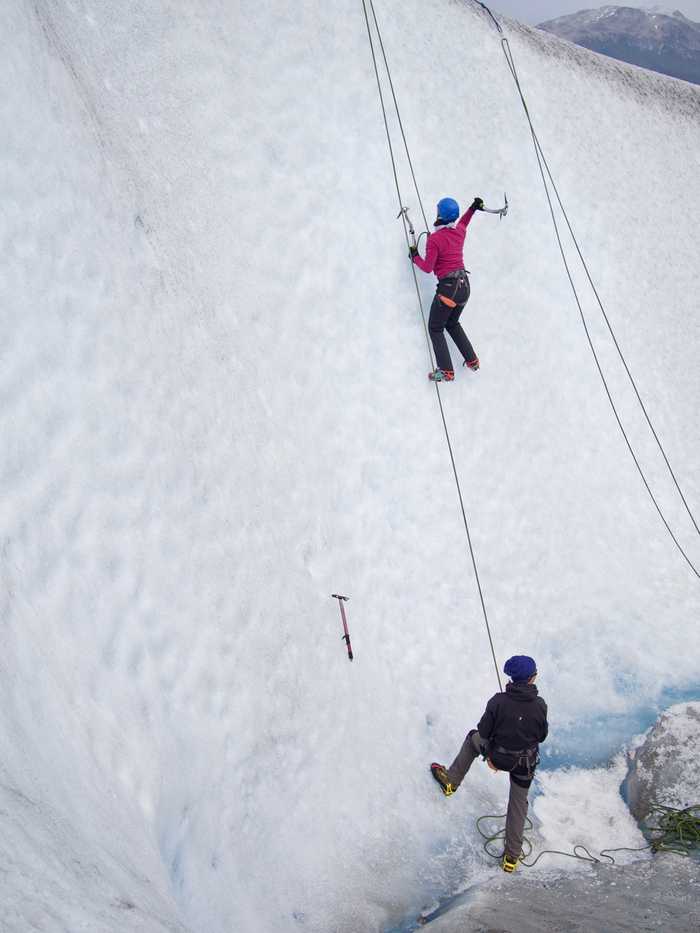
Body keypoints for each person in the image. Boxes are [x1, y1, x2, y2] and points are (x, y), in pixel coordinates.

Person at [430, 655, 548, 873]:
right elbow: (541, 736)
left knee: (472, 739)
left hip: (498, 757)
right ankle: (511, 858)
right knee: (518, 805)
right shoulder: (540, 705)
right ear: (532, 678)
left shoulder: (498, 701)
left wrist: (493, 754)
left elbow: (484, 731)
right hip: (524, 764)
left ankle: (451, 781)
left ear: (511, 678)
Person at [411, 196, 484, 382]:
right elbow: (464, 223)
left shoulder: (435, 240)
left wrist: (414, 256)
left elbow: (428, 268)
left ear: (440, 215)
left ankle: (445, 371)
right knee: (452, 323)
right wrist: (473, 207)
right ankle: (472, 361)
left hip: (448, 289)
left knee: (436, 328)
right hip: (464, 287)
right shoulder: (459, 232)